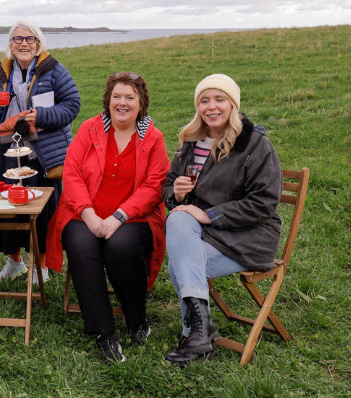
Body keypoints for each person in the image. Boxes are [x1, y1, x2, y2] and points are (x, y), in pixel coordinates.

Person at [45, 72, 169, 363]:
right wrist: (89, 216)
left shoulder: (153, 137)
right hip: (83, 212)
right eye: (117, 97)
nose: (122, 103)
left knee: (120, 247)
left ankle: (137, 320)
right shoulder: (89, 130)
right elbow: (72, 174)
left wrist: (118, 217)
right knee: (82, 246)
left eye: (129, 97)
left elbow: (154, 186)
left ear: (141, 104)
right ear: (108, 100)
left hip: (134, 217)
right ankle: (104, 332)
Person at [162, 74, 283, 366]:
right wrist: (176, 195)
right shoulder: (191, 142)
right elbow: (168, 185)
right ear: (197, 106)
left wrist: (207, 214)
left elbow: (264, 202)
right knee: (178, 221)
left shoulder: (254, 144)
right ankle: (201, 335)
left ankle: (195, 333)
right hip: (208, 234)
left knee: (181, 260)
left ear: (233, 104)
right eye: (204, 100)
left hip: (250, 238)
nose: (211, 107)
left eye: (219, 99)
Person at [0, 19, 80, 284]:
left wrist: (42, 116)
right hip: (7, 151)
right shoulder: (1, 73)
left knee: (42, 210)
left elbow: (73, 104)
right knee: (7, 208)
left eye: (29, 39)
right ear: (10, 46)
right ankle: (14, 262)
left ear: (38, 44)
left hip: (41, 153)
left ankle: (41, 266)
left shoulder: (53, 70)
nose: (23, 44)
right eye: (18, 39)